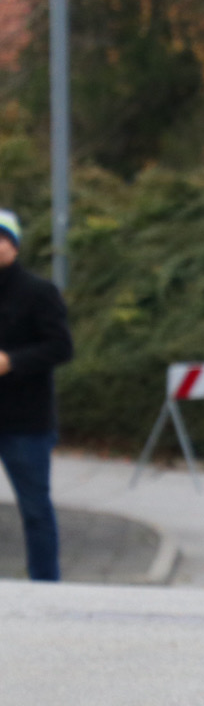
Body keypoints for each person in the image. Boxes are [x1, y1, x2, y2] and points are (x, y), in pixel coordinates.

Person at [0, 209, 73, 583]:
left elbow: (61, 347)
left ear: (14, 245)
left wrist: (12, 361)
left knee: (35, 510)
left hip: (25, 423)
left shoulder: (38, 292)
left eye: (1, 238)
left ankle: (46, 586)